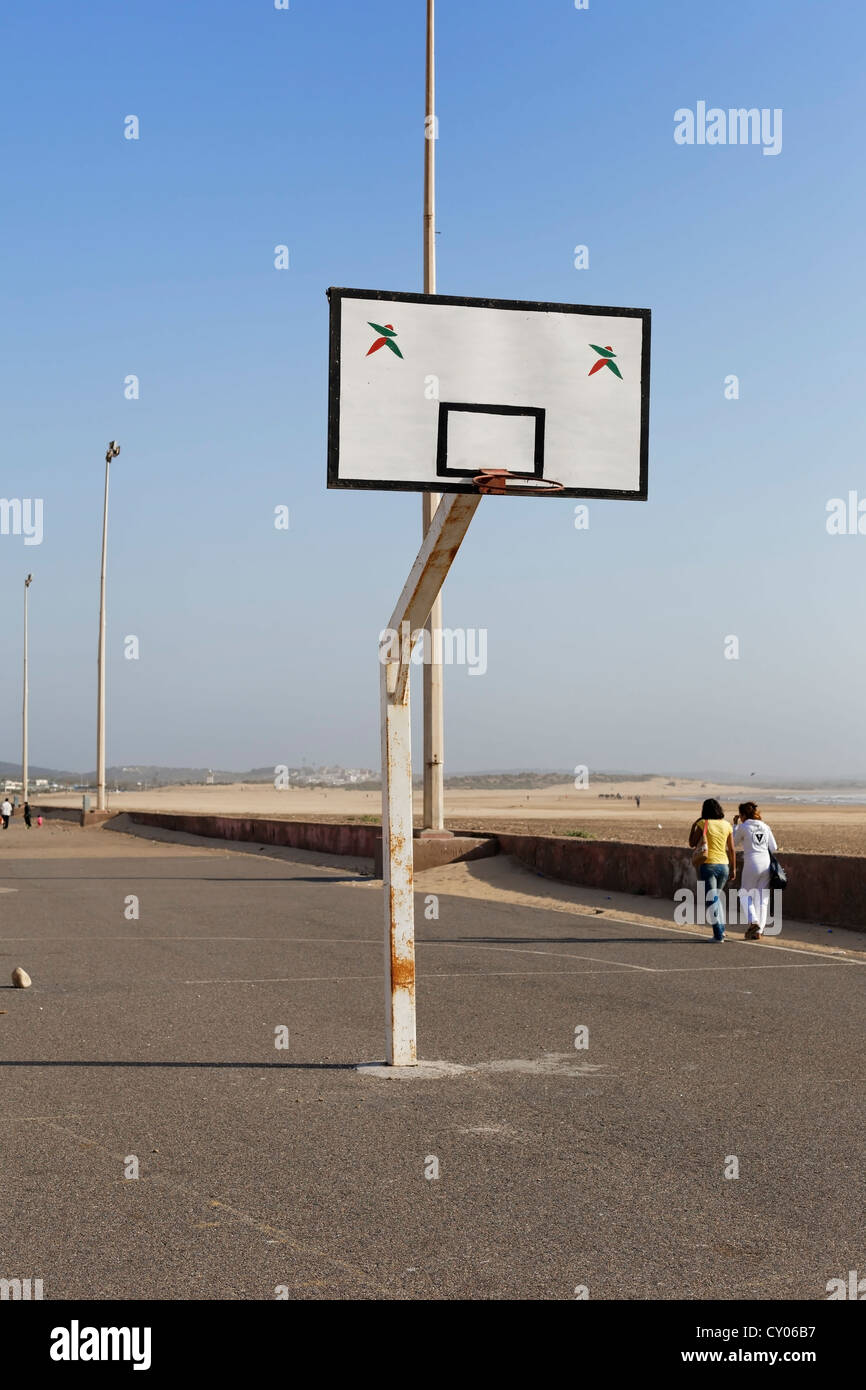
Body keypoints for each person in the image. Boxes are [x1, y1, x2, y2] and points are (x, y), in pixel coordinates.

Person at [689, 798, 736, 941]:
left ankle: (718, 934)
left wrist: (693, 826)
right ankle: (721, 929)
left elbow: (692, 843)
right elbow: (732, 850)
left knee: (712, 899)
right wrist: (733, 869)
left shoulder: (703, 823)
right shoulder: (727, 825)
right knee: (716, 898)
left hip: (708, 864)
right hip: (724, 866)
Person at [732, 802, 777, 940]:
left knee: (744, 894)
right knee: (762, 898)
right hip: (766, 863)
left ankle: (754, 922)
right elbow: (774, 847)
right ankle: (759, 931)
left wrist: (735, 826)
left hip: (752, 863)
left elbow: (733, 842)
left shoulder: (744, 827)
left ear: (743, 815)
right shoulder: (765, 826)